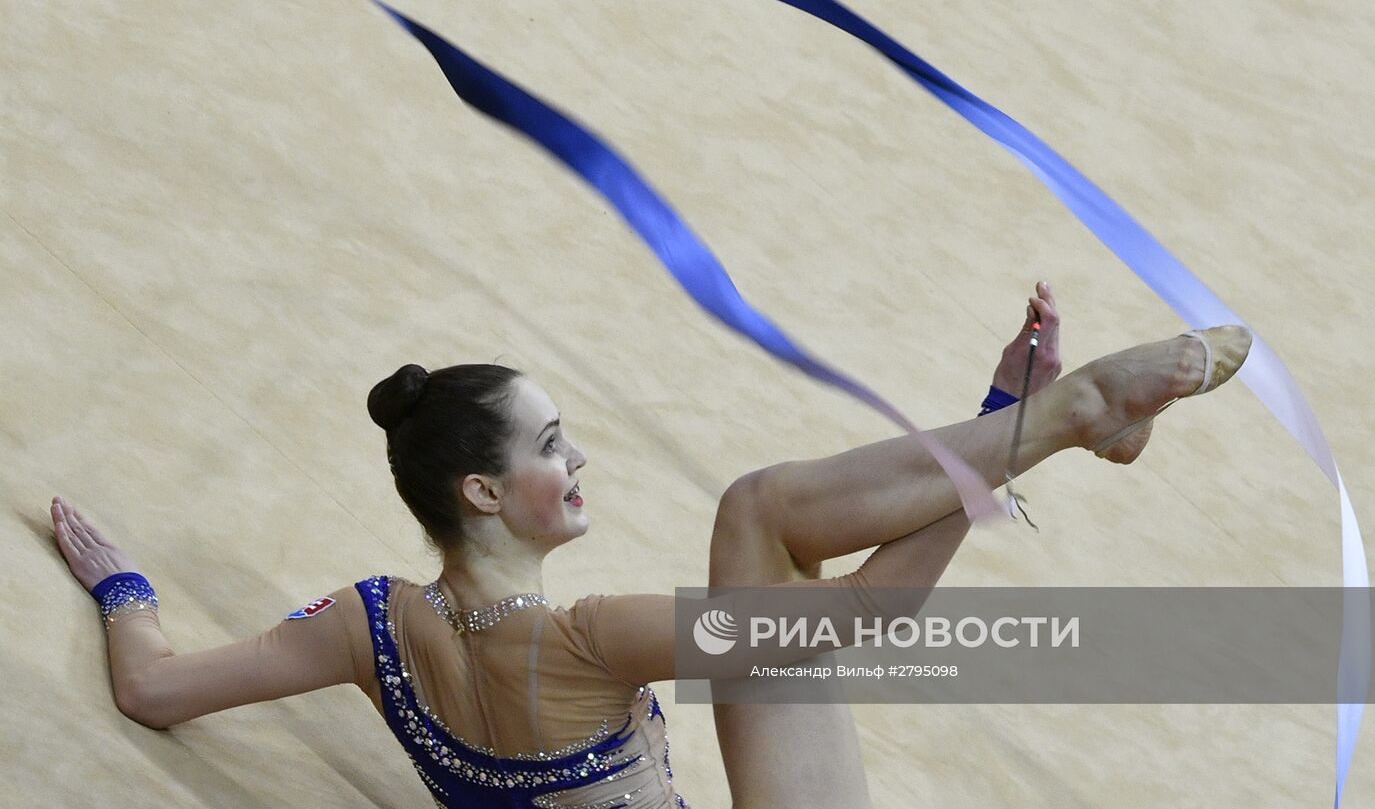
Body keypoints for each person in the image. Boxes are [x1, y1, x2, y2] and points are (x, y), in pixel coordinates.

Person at [52, 283, 1251, 808]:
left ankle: (1041, 423)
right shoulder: (597, 639)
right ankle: (1058, 416)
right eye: (552, 449)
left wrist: (123, 585)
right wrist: (1004, 437)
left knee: (758, 519)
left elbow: (154, 689)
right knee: (761, 515)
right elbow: (863, 624)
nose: (577, 467)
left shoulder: (373, 626)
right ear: (481, 489)